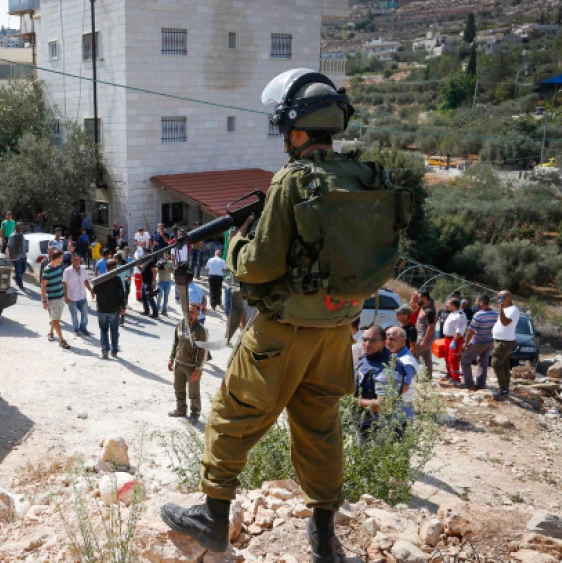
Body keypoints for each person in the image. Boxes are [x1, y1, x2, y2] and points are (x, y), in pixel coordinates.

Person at [161, 69, 404, 561]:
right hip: (338, 331)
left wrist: (236, 246)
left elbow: (262, 265)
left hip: (284, 333)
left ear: (294, 129)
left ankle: (212, 518)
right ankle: (323, 536)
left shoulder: (293, 180)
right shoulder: (364, 176)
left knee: (232, 415)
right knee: (320, 428)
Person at [354, 326, 413, 440]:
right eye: (365, 340)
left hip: (381, 429)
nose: (367, 344)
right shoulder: (365, 360)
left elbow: (382, 405)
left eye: (372, 340)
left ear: (384, 342)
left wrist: (351, 401)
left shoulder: (387, 368)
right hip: (363, 424)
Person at [168, 302, 208, 420]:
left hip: (192, 367)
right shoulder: (180, 324)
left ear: (198, 314)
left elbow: (203, 351)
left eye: (192, 312)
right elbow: (175, 342)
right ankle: (180, 410)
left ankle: (195, 414)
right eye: (187, 312)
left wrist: (198, 369)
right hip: (179, 364)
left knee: (193, 392)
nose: (189, 314)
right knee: (178, 387)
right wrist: (171, 359)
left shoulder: (201, 331)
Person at [461, 295, 496, 391]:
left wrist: (466, 343)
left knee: (465, 361)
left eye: (476, 301)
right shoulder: (494, 314)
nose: (475, 303)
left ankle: (469, 384)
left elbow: (471, 330)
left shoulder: (478, 315)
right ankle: (481, 384)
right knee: (483, 362)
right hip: (489, 341)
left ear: (481, 302)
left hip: (478, 341)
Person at [490, 290, 521, 400]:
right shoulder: (506, 309)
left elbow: (505, 322)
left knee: (496, 363)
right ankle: (505, 387)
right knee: (504, 365)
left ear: (508, 298)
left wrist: (501, 308)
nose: (499, 299)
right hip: (499, 340)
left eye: (501, 297)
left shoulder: (513, 310)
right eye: (498, 297)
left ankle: (503, 389)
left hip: (505, 341)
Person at [386, 326, 418, 420]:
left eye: (392, 339)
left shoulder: (406, 361)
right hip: (392, 407)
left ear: (403, 340)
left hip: (401, 410)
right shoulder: (394, 356)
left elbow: (404, 387)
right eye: (386, 338)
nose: (388, 342)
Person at [95, 258, 124, 359]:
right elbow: (121, 295)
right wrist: (123, 307)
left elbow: (94, 291)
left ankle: (105, 350)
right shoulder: (117, 279)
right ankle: (114, 351)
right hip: (114, 309)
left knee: (103, 330)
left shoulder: (100, 278)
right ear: (114, 268)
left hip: (102, 309)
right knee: (114, 330)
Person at [41, 249, 70, 350]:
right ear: (57, 258)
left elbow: (60, 281)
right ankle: (62, 340)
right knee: (56, 320)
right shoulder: (47, 270)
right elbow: (43, 286)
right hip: (53, 299)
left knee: (55, 318)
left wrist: (65, 295)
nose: (63, 259)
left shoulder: (59, 267)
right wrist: (44, 300)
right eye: (61, 257)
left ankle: (50, 332)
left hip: (60, 297)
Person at [63, 253, 94, 336]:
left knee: (85, 314)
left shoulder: (83, 269)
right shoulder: (67, 271)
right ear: (71, 260)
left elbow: (86, 281)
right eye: (75, 260)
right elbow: (64, 284)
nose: (77, 262)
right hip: (72, 297)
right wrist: (65, 296)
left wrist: (91, 291)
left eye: (78, 260)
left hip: (82, 296)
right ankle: (76, 330)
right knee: (74, 315)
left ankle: (83, 329)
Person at [442, 298, 467, 384]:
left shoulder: (460, 316)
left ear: (453, 305)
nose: (447, 305)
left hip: (455, 339)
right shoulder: (452, 314)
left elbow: (459, 330)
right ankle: (449, 374)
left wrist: (454, 341)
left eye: (449, 304)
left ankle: (455, 378)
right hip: (447, 339)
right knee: (447, 358)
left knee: (453, 359)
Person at [415, 291, 437, 378]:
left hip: (424, 338)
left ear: (424, 298)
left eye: (419, 298)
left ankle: (412, 377)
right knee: (427, 358)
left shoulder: (429, 311)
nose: (417, 300)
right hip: (425, 338)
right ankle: (428, 377)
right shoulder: (424, 307)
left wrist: (424, 340)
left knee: (414, 355)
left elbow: (431, 327)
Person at [6, 222, 27, 291]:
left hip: (23, 255)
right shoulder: (12, 236)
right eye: (18, 227)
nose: (20, 229)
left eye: (21, 227)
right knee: (18, 271)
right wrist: (11, 255)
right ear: (15, 228)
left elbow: (24, 245)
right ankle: (20, 285)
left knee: (24, 269)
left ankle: (16, 277)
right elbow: (9, 246)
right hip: (16, 256)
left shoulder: (22, 235)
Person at [156, 251, 175, 316]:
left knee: (166, 297)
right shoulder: (159, 262)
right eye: (165, 255)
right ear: (163, 256)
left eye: (167, 256)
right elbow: (156, 269)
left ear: (169, 256)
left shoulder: (170, 263)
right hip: (160, 281)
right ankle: (157, 308)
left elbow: (173, 271)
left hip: (168, 282)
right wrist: (160, 266)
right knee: (160, 295)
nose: (166, 257)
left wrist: (166, 269)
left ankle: (164, 309)